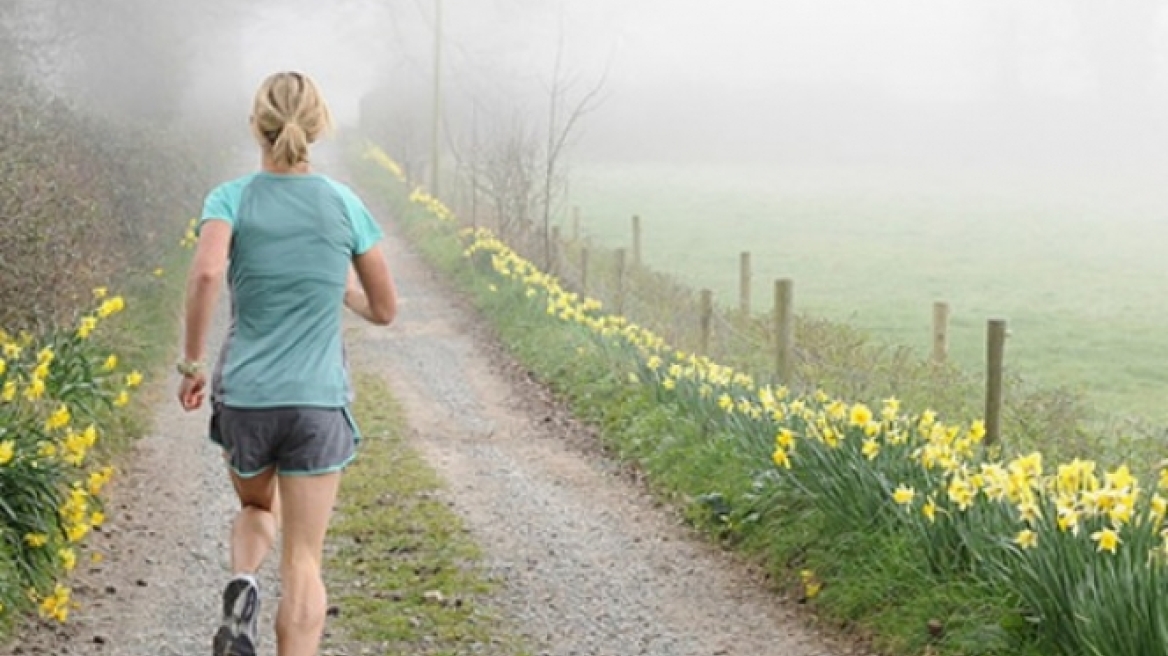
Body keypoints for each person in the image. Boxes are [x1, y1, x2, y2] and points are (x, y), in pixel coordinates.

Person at [176, 70, 398, 656]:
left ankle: (243, 583)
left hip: (247, 397)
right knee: (304, 560)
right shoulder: (343, 203)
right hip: (317, 402)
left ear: (258, 125)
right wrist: (339, 291)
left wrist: (192, 362)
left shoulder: (231, 198)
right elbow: (385, 309)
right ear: (320, 126)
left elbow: (204, 273)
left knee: (254, 507)